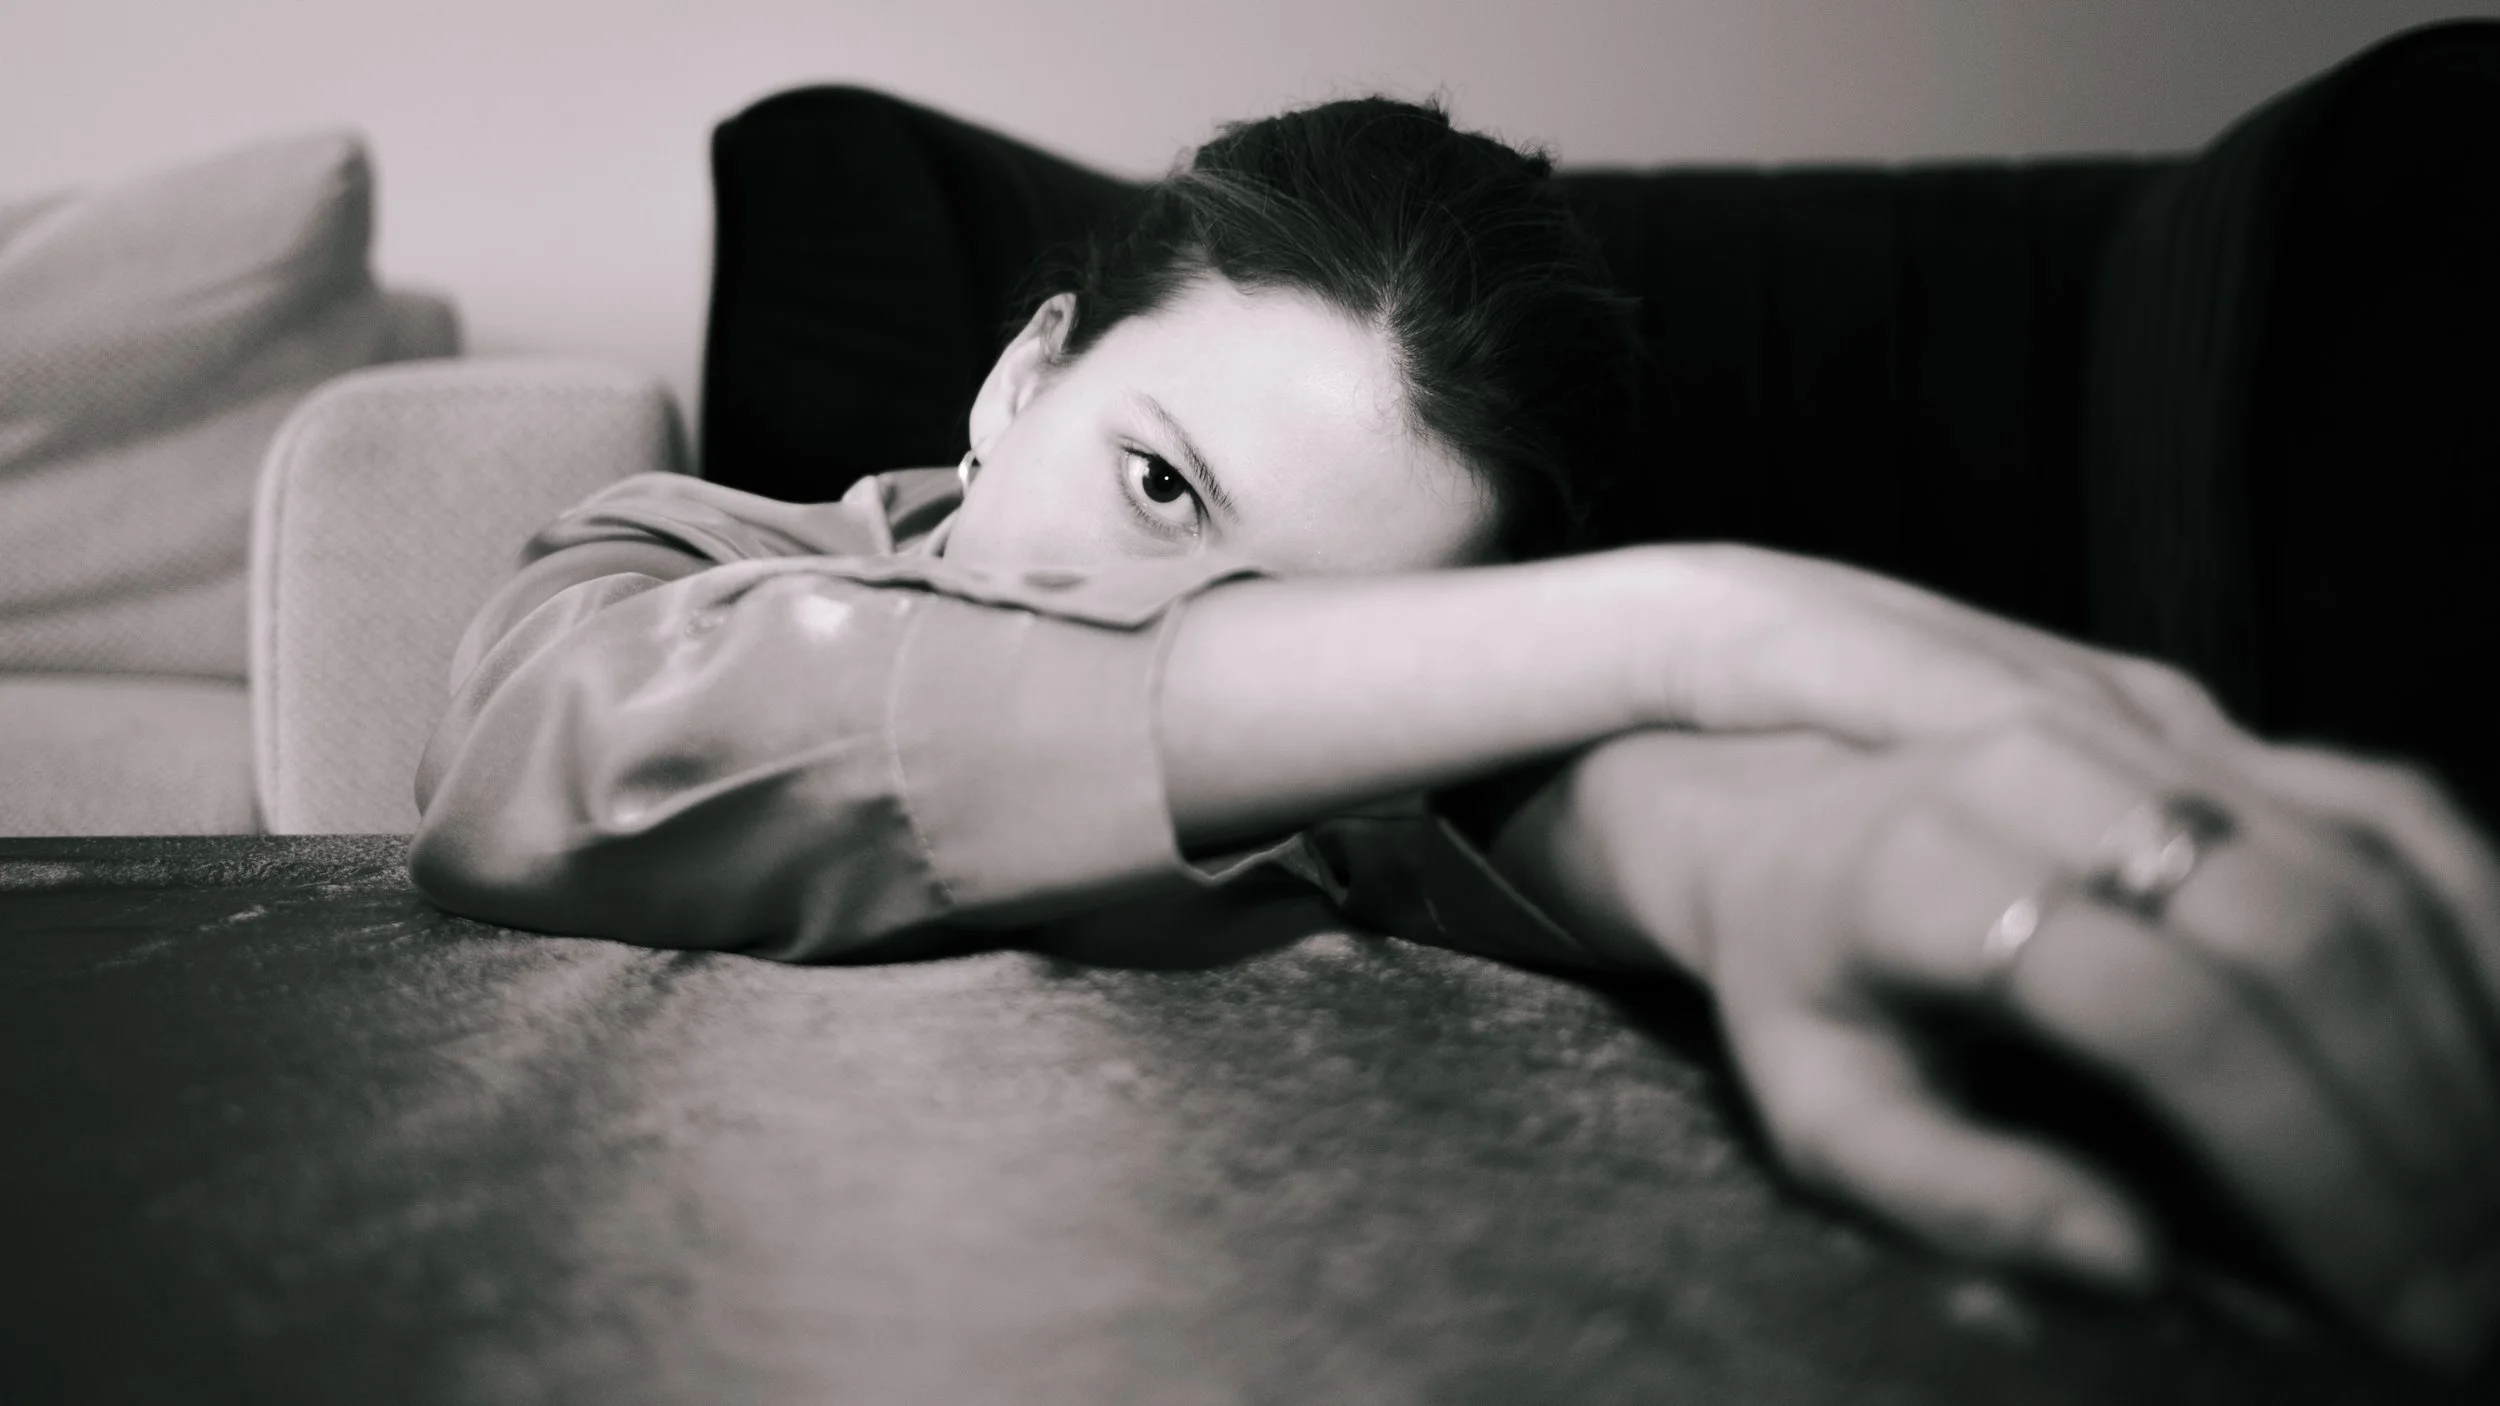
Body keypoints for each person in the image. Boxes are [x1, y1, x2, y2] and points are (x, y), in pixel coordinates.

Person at [409, 96, 2500, 1368]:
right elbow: (554, 749)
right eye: (1160, 487)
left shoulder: (1394, 763)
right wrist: (1696, 620)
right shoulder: (679, 550)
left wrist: (1765, 844)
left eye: (1325, 630)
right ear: (1021, 376)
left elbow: (1508, 817)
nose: (1164, 619)